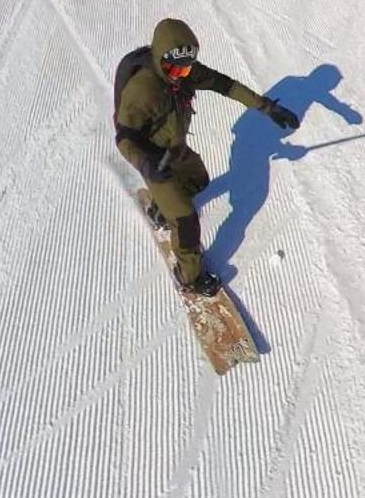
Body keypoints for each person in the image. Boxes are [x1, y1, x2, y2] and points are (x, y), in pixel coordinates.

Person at [113, 18, 299, 296]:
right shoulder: (143, 90)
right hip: (154, 158)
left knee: (199, 180)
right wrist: (147, 165)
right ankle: (189, 277)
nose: (179, 74)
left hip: (175, 148)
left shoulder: (186, 73)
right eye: (173, 67)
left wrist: (267, 108)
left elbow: (226, 85)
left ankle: (161, 209)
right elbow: (125, 137)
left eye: (185, 67)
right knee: (187, 220)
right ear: (160, 57)